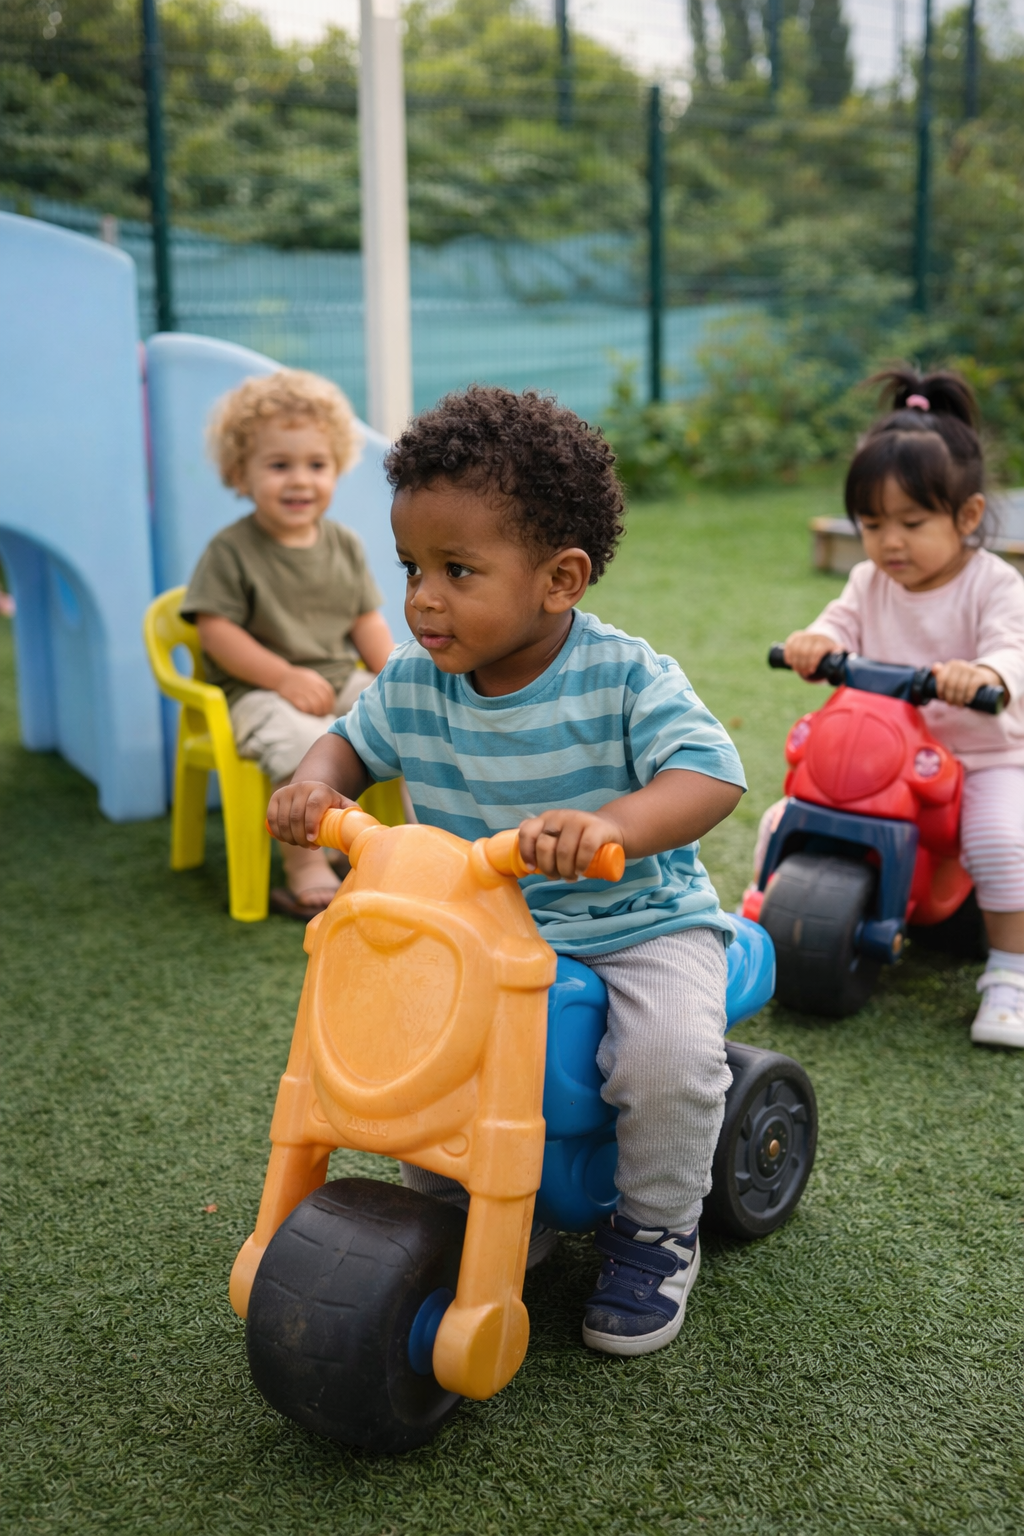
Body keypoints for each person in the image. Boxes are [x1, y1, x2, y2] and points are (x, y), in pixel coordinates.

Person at [267, 385, 746, 1357]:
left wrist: (609, 823)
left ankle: (654, 1228)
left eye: (456, 569)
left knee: (666, 1063)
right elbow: (346, 749)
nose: (422, 598)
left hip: (631, 926)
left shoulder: (621, 677)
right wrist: (314, 789)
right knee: (419, 1071)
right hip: (480, 940)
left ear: (558, 579)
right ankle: (471, 1205)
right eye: (411, 567)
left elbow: (711, 774)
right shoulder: (411, 681)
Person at [782, 367, 1024, 1049]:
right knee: (791, 808)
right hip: (885, 755)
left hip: (980, 756)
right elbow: (836, 625)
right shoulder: (867, 581)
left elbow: (1014, 650)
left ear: (967, 517)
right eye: (871, 523)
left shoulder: (993, 584)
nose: (890, 542)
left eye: (912, 523)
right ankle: (769, 921)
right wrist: (814, 643)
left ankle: (1010, 971)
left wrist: (981, 674)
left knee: (1001, 843)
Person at [181, 369, 396, 919]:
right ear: (240, 473)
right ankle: (305, 862)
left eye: (316, 465)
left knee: (409, 718)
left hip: (334, 675)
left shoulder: (342, 543)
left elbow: (364, 619)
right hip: (256, 691)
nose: (300, 480)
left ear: (336, 468)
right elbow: (216, 631)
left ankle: (410, 843)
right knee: (304, 741)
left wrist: (394, 676)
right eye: (280, 465)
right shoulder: (231, 551)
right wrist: (281, 676)